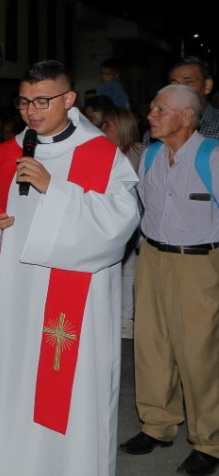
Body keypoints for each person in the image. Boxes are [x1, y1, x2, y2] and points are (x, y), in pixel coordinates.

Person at [0, 60, 139, 476]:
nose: (31, 111)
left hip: (71, 306)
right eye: (24, 101)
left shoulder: (100, 153)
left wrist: (53, 189)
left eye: (42, 100)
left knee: (70, 398)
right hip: (16, 301)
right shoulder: (7, 152)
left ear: (68, 99)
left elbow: (122, 220)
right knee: (14, 389)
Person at [119, 84, 219, 476]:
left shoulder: (212, 157)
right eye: (153, 108)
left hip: (199, 265)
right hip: (152, 258)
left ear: (187, 117)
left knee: (199, 355)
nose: (151, 115)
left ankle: (209, 441)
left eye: (161, 110)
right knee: (151, 347)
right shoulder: (151, 155)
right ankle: (157, 424)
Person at [100, 107, 142, 339]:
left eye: (108, 124)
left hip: (130, 219)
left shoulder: (137, 152)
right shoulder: (103, 151)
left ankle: (126, 318)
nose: (102, 129)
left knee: (127, 268)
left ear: (122, 127)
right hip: (106, 216)